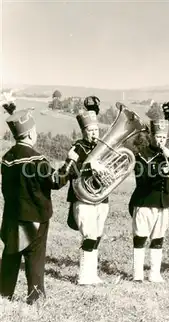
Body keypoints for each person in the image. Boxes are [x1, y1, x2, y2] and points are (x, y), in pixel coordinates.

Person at [0, 106, 78, 304]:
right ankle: (35, 298)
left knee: (10, 256)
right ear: (29, 134)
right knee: (35, 258)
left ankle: (3, 294)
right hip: (35, 219)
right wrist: (70, 162)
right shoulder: (37, 160)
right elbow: (56, 181)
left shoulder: (6, 159)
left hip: (11, 217)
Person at [65, 102, 110, 285]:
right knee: (89, 235)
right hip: (83, 198)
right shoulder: (77, 148)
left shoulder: (103, 147)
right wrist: (88, 165)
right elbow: (70, 171)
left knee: (97, 235)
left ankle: (92, 274)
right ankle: (84, 275)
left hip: (102, 198)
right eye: (90, 130)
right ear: (83, 132)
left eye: (96, 130)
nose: (94, 133)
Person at [128, 118, 169, 282]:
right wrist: (158, 171)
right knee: (140, 238)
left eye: (163, 137)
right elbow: (141, 180)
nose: (161, 140)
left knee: (158, 239)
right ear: (152, 136)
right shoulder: (141, 155)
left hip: (163, 203)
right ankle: (137, 274)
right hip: (144, 202)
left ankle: (155, 273)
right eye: (158, 137)